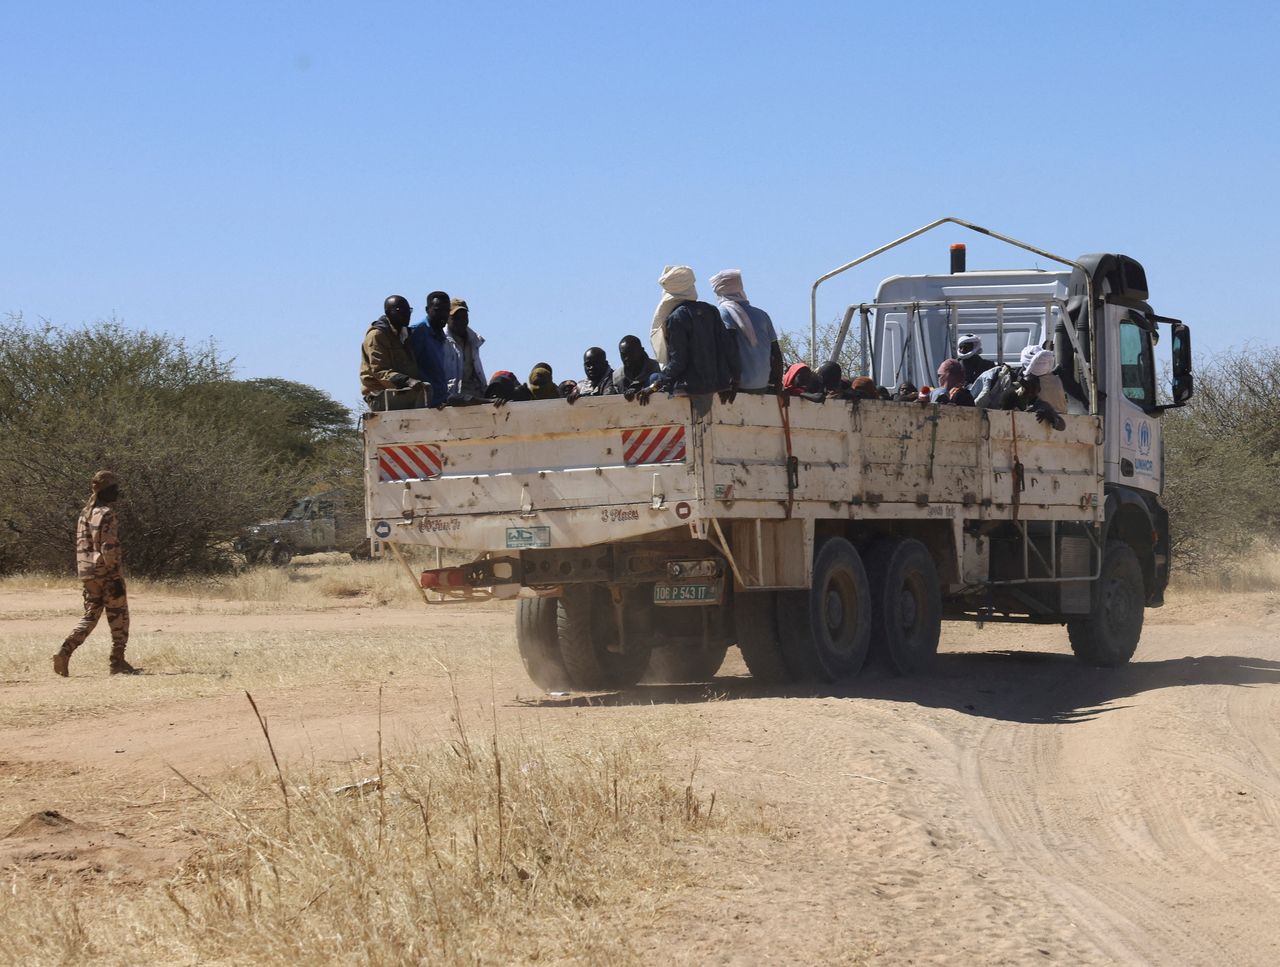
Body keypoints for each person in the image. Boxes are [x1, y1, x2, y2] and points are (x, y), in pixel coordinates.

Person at [53, 471, 138, 677]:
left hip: (87, 572)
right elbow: (108, 546)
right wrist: (115, 574)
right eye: (114, 489)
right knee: (119, 616)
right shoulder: (106, 513)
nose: (118, 492)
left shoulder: (85, 513)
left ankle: (64, 651)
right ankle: (117, 661)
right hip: (106, 571)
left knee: (91, 615)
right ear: (106, 491)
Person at [646, 266, 740, 400]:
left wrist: (655, 386)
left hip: (688, 389)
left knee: (653, 378)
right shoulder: (711, 310)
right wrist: (735, 380)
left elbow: (678, 362)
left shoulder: (676, 318)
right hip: (718, 385)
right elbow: (729, 348)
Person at [710, 269, 783, 393]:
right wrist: (777, 384)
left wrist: (733, 381)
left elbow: (729, 349)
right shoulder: (762, 314)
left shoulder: (723, 312)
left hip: (739, 386)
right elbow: (776, 352)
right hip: (762, 385)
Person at [360, 295, 426, 405]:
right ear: (388, 312)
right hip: (380, 395)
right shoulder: (377, 335)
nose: (407, 314)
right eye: (400, 311)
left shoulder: (405, 334)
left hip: (404, 393)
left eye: (408, 310)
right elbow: (380, 371)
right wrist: (407, 381)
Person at [406, 290, 453, 407]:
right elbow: (408, 368)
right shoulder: (417, 332)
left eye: (446, 310)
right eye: (438, 310)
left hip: (440, 402)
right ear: (428, 310)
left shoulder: (441, 335)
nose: (443, 314)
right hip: (424, 404)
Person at [443, 299, 488, 402]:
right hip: (453, 397)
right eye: (456, 318)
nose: (461, 321)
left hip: (475, 394)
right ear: (447, 318)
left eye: (464, 317)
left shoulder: (474, 339)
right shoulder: (441, 340)